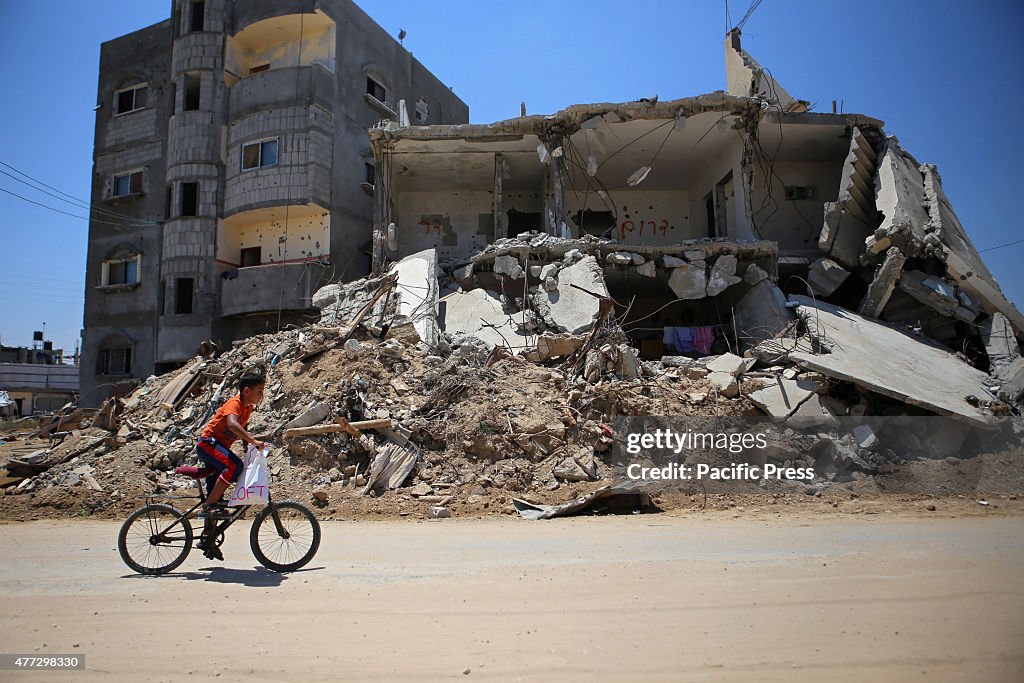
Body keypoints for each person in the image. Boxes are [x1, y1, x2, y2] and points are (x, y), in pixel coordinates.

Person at [194, 371, 266, 560]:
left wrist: (250, 451)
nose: (261, 395)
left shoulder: (248, 408)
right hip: (208, 444)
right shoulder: (234, 404)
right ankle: (207, 506)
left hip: (218, 449)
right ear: (246, 390)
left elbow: (243, 429)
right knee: (234, 468)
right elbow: (233, 425)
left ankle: (207, 539)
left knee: (217, 494)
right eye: (259, 391)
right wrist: (252, 441)